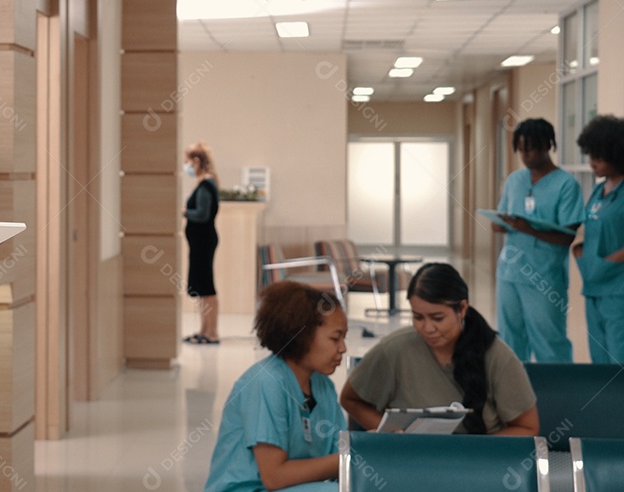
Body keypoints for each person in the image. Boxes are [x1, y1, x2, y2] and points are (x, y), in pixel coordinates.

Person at [341, 263, 538, 435]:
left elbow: (528, 427)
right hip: (412, 458)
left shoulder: (496, 356)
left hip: (476, 460)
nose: (427, 328)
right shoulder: (394, 349)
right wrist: (393, 435)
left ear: (462, 309)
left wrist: (471, 452)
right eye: (418, 317)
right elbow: (350, 399)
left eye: (437, 318)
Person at [204, 281, 347, 492]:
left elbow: (341, 450)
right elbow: (274, 477)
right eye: (335, 338)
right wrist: (348, 459)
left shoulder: (323, 386)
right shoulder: (266, 383)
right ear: (302, 335)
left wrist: (372, 445)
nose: (343, 348)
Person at [492, 118, 583, 362]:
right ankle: (513, 385)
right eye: (520, 149)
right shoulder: (515, 180)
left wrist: (529, 229)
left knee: (548, 340)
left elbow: (567, 237)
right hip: (509, 272)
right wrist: (498, 224)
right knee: (510, 338)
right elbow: (503, 213)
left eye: (530, 149)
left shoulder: (566, 185)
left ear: (547, 145)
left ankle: (558, 385)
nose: (525, 155)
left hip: (544, 276)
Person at [574, 114, 624, 364]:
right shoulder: (598, 190)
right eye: (590, 155)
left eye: (599, 157)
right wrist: (581, 252)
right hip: (594, 285)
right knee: (599, 358)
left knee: (618, 356)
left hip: (617, 289)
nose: (592, 162)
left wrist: (610, 261)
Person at [183, 141, 220, 344]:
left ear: (196, 161)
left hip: (203, 241)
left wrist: (184, 211)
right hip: (199, 242)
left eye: (187, 161)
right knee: (201, 288)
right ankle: (204, 330)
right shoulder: (204, 183)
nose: (186, 166)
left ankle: (211, 332)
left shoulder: (206, 184)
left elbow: (202, 214)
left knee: (206, 287)